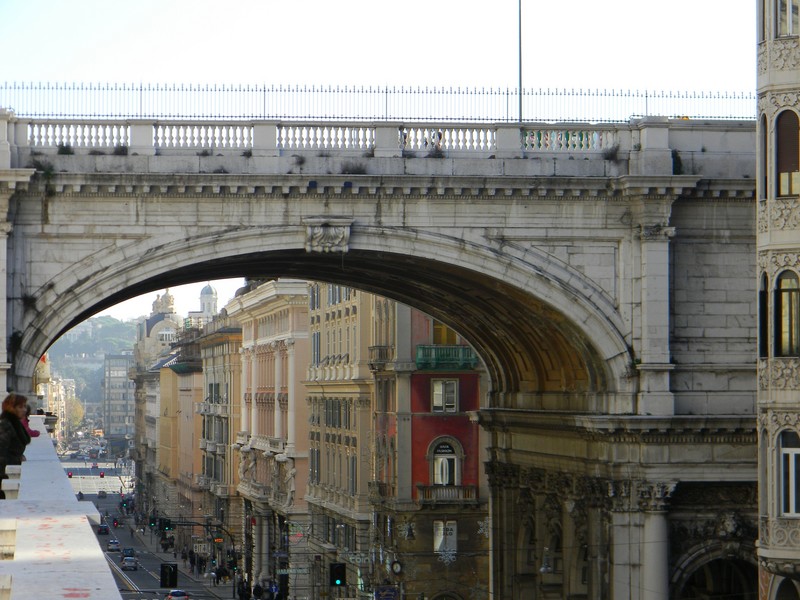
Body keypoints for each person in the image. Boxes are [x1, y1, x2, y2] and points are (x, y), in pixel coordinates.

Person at [0, 394, 32, 499]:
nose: (24, 410)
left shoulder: (15, 423)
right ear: (11, 408)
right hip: (3, 476)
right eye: (20, 407)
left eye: (25, 406)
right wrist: (16, 458)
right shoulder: (6, 424)